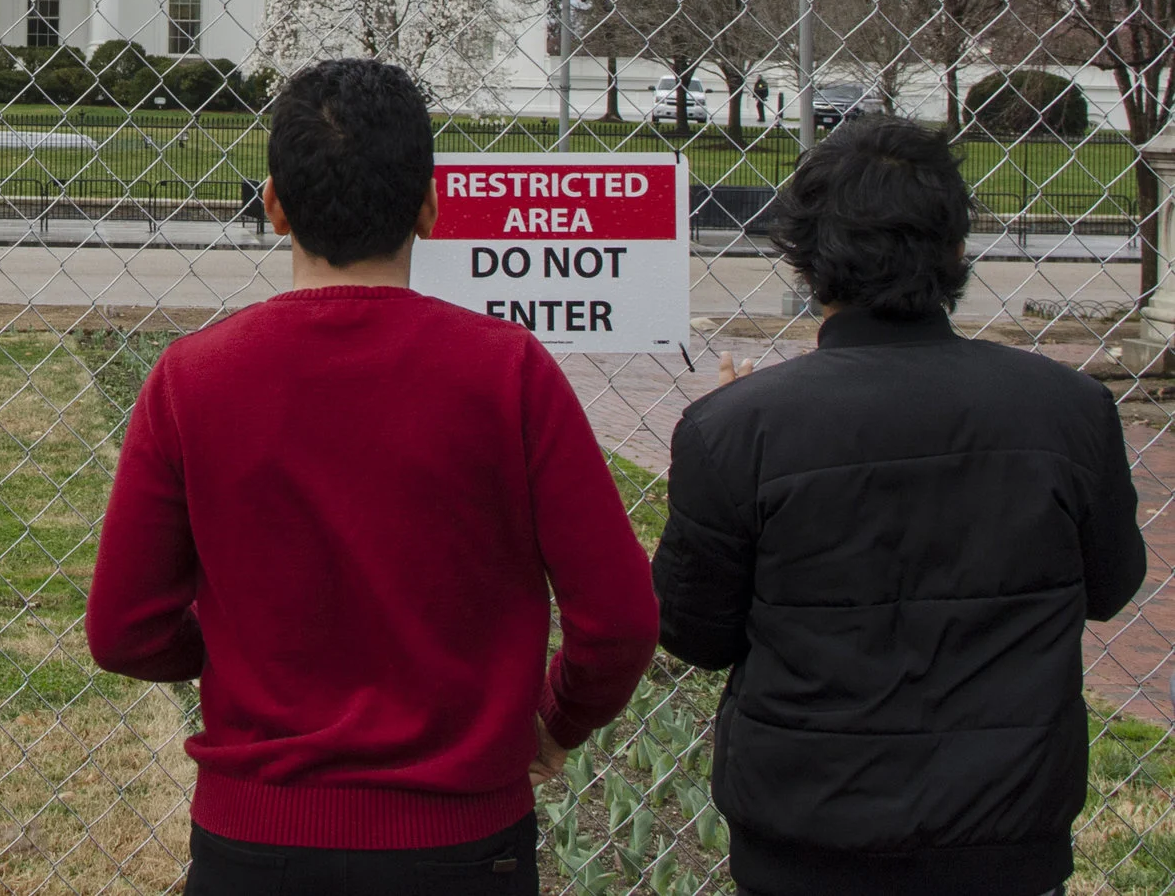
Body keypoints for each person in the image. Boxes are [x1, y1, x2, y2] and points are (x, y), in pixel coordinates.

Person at [88, 58, 658, 895]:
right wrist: (554, 715)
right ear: (431, 205)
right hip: (464, 837)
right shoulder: (509, 373)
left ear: (274, 203)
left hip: (257, 835)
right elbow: (619, 619)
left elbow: (123, 630)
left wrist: (243, 659)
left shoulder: (192, 379)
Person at [655, 116, 1145, 896]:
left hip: (807, 836)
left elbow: (696, 631)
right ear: (954, 250)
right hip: (1005, 835)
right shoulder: (1069, 409)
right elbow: (1112, 586)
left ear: (808, 261)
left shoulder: (736, 428)